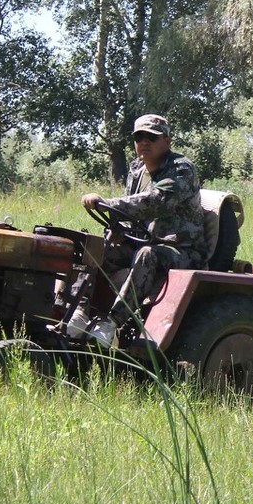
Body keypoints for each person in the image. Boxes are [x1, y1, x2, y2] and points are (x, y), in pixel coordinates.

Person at [73, 114, 207, 347]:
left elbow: (155, 202)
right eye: (139, 137)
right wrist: (118, 230)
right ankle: (80, 311)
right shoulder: (137, 169)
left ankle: (111, 324)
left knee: (148, 254)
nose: (144, 142)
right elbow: (131, 212)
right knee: (96, 247)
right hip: (144, 240)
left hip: (182, 250)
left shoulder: (182, 169)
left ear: (167, 140)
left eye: (152, 137)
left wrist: (107, 203)